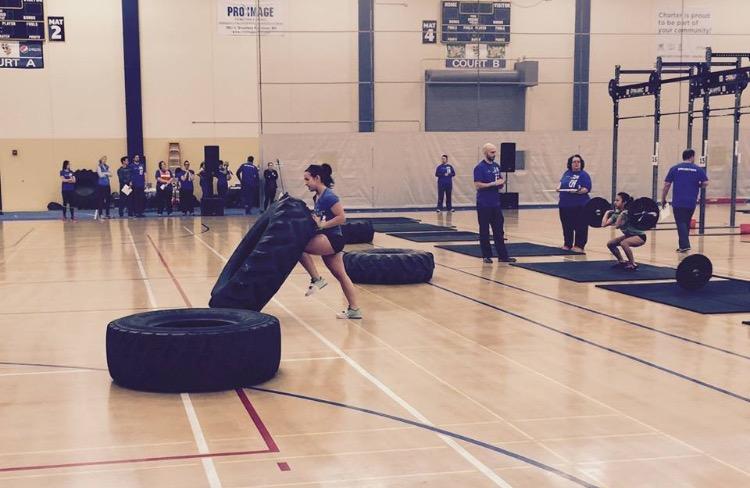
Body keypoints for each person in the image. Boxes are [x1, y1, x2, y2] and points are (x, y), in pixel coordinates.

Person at [300, 163, 362, 320]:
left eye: (307, 179)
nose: (305, 183)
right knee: (341, 275)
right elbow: (321, 217)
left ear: (317, 178)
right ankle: (354, 310)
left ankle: (316, 279)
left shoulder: (329, 196)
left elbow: (341, 217)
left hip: (333, 239)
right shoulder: (317, 197)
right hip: (326, 238)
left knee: (297, 245)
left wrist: (322, 225)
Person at [473, 143, 516, 264]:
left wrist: (501, 182)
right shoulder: (479, 167)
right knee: (484, 230)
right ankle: (486, 255)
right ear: (485, 152)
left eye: (495, 152)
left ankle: (503, 255)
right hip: (484, 204)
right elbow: (477, 185)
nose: (494, 154)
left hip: (495, 203)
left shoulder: (497, 166)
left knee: (499, 230)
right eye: (492, 152)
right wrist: (492, 184)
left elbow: (500, 181)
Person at [661, 148, 709, 252]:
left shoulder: (675, 168)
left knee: (681, 222)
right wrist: (698, 185)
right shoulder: (698, 169)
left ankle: (685, 245)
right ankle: (683, 245)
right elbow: (705, 183)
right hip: (691, 201)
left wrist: (663, 198)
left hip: (678, 200)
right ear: (691, 157)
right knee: (686, 222)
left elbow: (666, 185)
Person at [602, 192, 646, 270]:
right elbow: (603, 224)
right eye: (615, 200)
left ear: (624, 202)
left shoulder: (629, 213)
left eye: (617, 200)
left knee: (624, 243)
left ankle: (633, 264)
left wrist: (622, 214)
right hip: (628, 235)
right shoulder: (617, 214)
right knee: (610, 244)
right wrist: (607, 212)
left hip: (639, 236)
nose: (615, 202)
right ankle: (621, 261)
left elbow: (618, 226)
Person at [557, 154, 592, 252]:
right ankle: (567, 244)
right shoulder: (566, 173)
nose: (576, 164)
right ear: (570, 164)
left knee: (580, 226)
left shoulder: (584, 175)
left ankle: (579, 245)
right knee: (567, 226)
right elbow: (561, 183)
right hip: (564, 205)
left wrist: (577, 191)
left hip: (580, 206)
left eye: (578, 162)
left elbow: (586, 189)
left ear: (581, 164)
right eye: (574, 162)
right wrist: (558, 187)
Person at [95, 156, 113, 220]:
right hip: (101, 185)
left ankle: (107, 214)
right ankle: (100, 214)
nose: (105, 160)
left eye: (106, 159)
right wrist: (106, 173)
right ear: (101, 160)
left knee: (108, 200)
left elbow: (111, 174)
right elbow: (100, 175)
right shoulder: (98, 167)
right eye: (104, 159)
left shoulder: (107, 166)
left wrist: (106, 173)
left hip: (107, 185)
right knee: (101, 200)